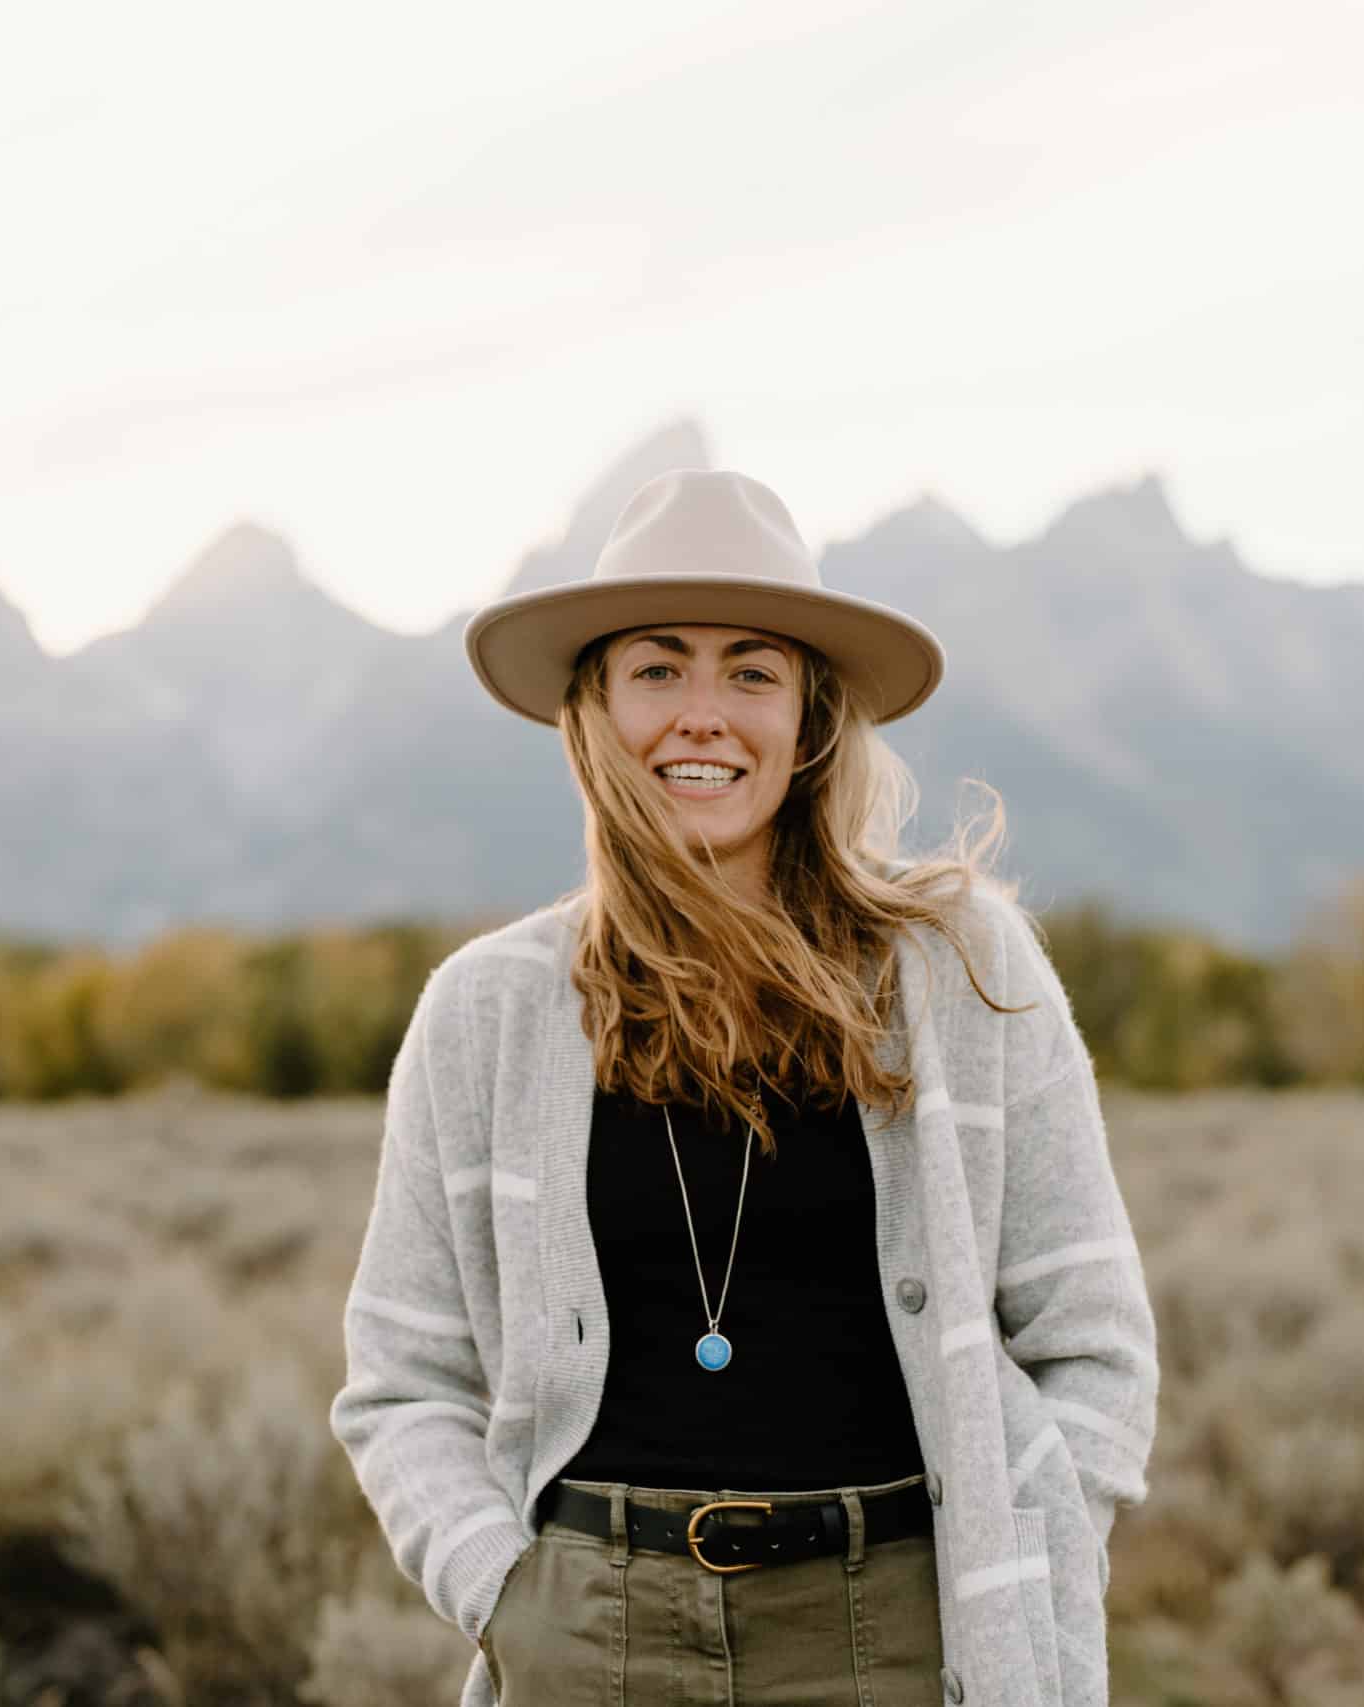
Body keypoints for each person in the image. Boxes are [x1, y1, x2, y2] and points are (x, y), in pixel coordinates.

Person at [329, 468, 1158, 1707]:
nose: (702, 715)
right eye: (657, 669)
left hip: (898, 1630)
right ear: (594, 713)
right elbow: (402, 1379)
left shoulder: (962, 972)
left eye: (751, 672)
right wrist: (510, 1596)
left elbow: (1094, 1342)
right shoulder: (485, 1010)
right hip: (590, 1635)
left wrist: (1016, 1557)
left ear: (812, 719)